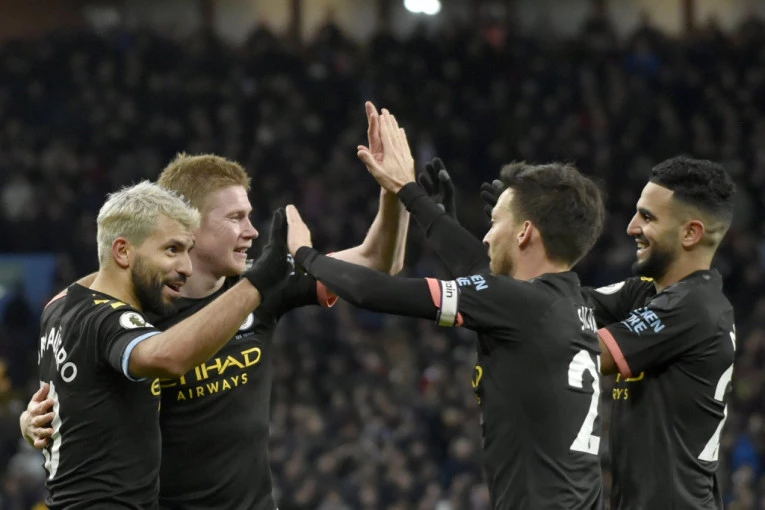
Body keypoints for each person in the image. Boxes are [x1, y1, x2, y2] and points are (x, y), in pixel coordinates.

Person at [22, 102, 411, 510]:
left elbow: (378, 262)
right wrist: (33, 421)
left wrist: (395, 191)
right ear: (188, 223)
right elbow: (74, 382)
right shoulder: (135, 306)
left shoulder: (263, 284)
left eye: (249, 216)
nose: (252, 231)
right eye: (235, 218)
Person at [284, 110, 607, 509]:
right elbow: (478, 270)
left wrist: (305, 254)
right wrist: (427, 210)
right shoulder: (571, 302)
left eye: (495, 223)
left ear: (525, 232)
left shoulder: (520, 303)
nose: (486, 236)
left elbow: (374, 291)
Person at [437, 156, 737, 509]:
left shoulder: (696, 308)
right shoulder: (646, 294)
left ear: (690, 233)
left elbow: (567, 345)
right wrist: (515, 241)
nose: (632, 227)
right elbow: (549, 306)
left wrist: (520, 249)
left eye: (648, 217)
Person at [36, 181, 289, 509]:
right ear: (123, 251)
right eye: (172, 250)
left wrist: (31, 423)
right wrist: (257, 285)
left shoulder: (60, 307)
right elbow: (166, 358)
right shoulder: (109, 320)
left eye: (187, 250)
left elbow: (61, 410)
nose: (186, 267)